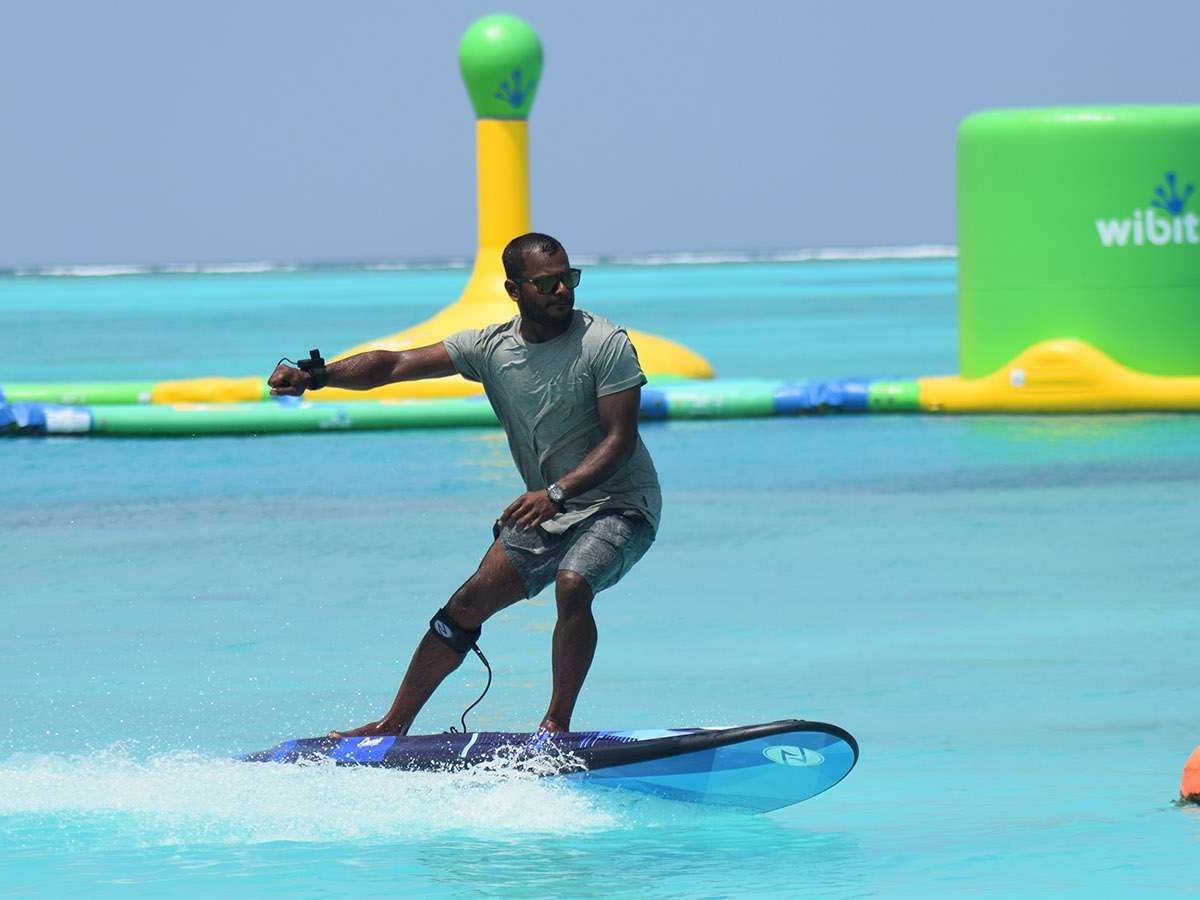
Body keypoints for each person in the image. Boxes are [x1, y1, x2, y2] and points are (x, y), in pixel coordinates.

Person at [268, 232, 660, 736]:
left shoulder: (604, 344)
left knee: (573, 583)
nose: (562, 291)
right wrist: (317, 377)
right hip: (547, 511)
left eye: (569, 279)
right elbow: (393, 364)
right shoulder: (490, 348)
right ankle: (392, 725)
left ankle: (556, 727)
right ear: (514, 290)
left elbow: (620, 441)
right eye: (547, 284)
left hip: (621, 505)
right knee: (465, 607)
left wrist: (554, 493)